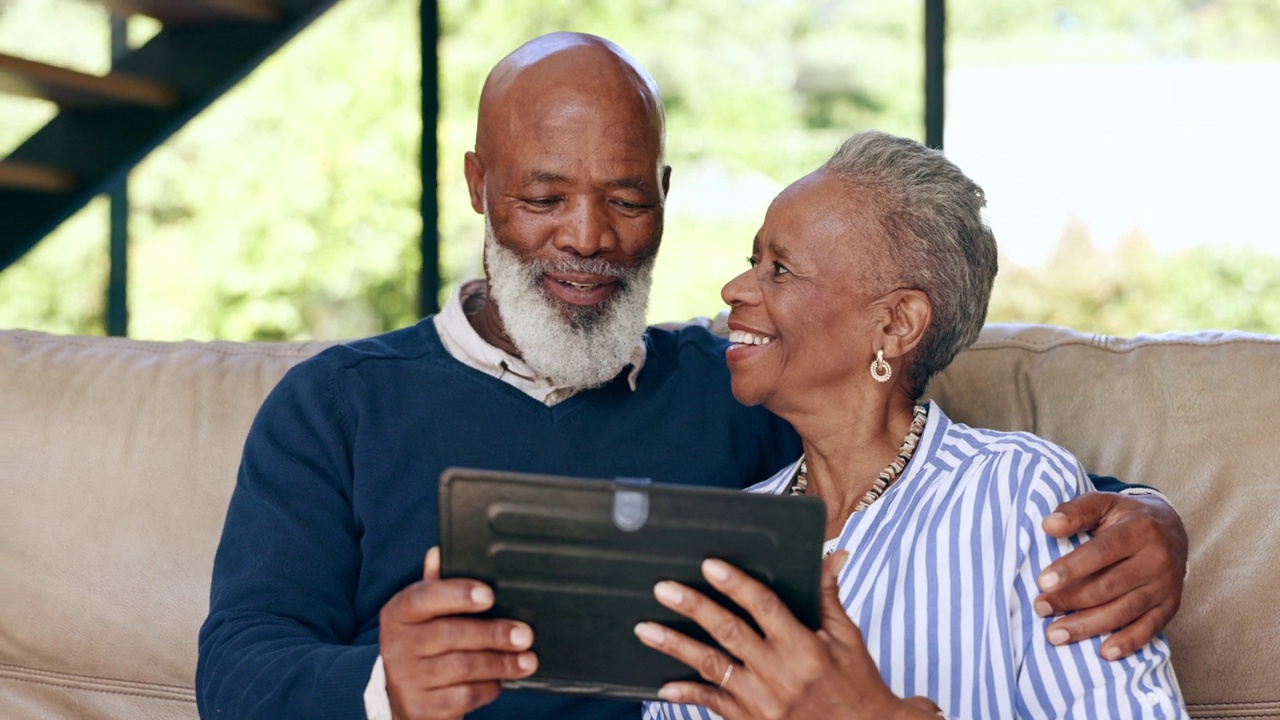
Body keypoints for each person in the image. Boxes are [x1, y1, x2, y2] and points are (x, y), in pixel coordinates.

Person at [196, 33, 1188, 720]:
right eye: (543, 197)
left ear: (663, 198)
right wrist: (382, 689)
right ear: (476, 187)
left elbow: (923, 471)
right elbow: (236, 670)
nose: (587, 239)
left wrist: (1144, 516)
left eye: (624, 200)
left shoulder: (734, 388)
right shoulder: (337, 407)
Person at [637, 130, 1187, 719]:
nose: (734, 289)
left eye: (780, 268)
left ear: (897, 324)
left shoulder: (1021, 496)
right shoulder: (722, 545)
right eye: (753, 261)